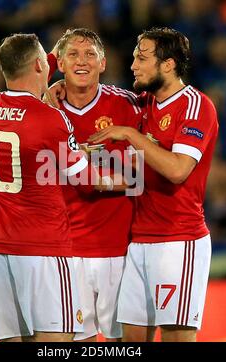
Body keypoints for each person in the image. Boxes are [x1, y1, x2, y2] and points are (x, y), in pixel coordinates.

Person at [89, 27, 219, 342]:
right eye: (134, 56)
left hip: (179, 240)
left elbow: (177, 170)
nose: (133, 65)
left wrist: (131, 136)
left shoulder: (196, 105)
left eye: (142, 58)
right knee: (130, 342)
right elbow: (102, 98)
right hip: (137, 242)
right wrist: (58, 90)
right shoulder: (141, 104)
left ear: (168, 65)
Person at [0, 33, 94, 342]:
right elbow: (84, 178)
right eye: (48, 62)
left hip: (0, 249)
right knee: (55, 343)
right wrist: (130, 164)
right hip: (43, 249)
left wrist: (57, 52)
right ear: (38, 65)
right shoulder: (50, 119)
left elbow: (27, 64)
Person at [47, 28, 141, 342]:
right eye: (73, 54)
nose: (82, 61)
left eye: (90, 54)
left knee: (122, 342)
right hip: (66, 251)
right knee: (76, 340)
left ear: (103, 63)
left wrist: (96, 181)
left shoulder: (129, 105)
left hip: (119, 248)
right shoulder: (46, 109)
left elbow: (144, 173)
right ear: (59, 63)